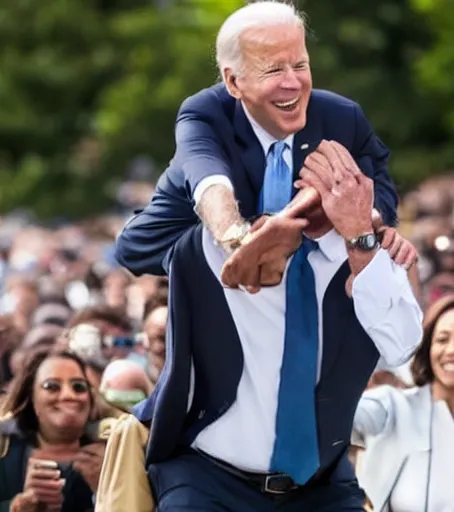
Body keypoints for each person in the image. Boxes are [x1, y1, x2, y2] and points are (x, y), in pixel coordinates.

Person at [114, 2, 423, 511]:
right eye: (273, 69)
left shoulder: (343, 124)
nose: (291, 82)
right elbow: (207, 178)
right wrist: (241, 238)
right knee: (150, 238)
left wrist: (364, 231)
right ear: (234, 82)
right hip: (205, 473)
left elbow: (400, 341)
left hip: (320, 481)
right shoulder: (206, 119)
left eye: (299, 64)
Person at [353, 294, 454, 512]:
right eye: (442, 340)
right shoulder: (391, 408)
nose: (452, 350)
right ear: (428, 347)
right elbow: (332, 417)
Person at [0, 348, 110, 512]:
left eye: (79, 387)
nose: (68, 395)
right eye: (52, 386)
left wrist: (104, 490)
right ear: (31, 398)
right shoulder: (4, 449)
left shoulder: (113, 450)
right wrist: (17, 507)